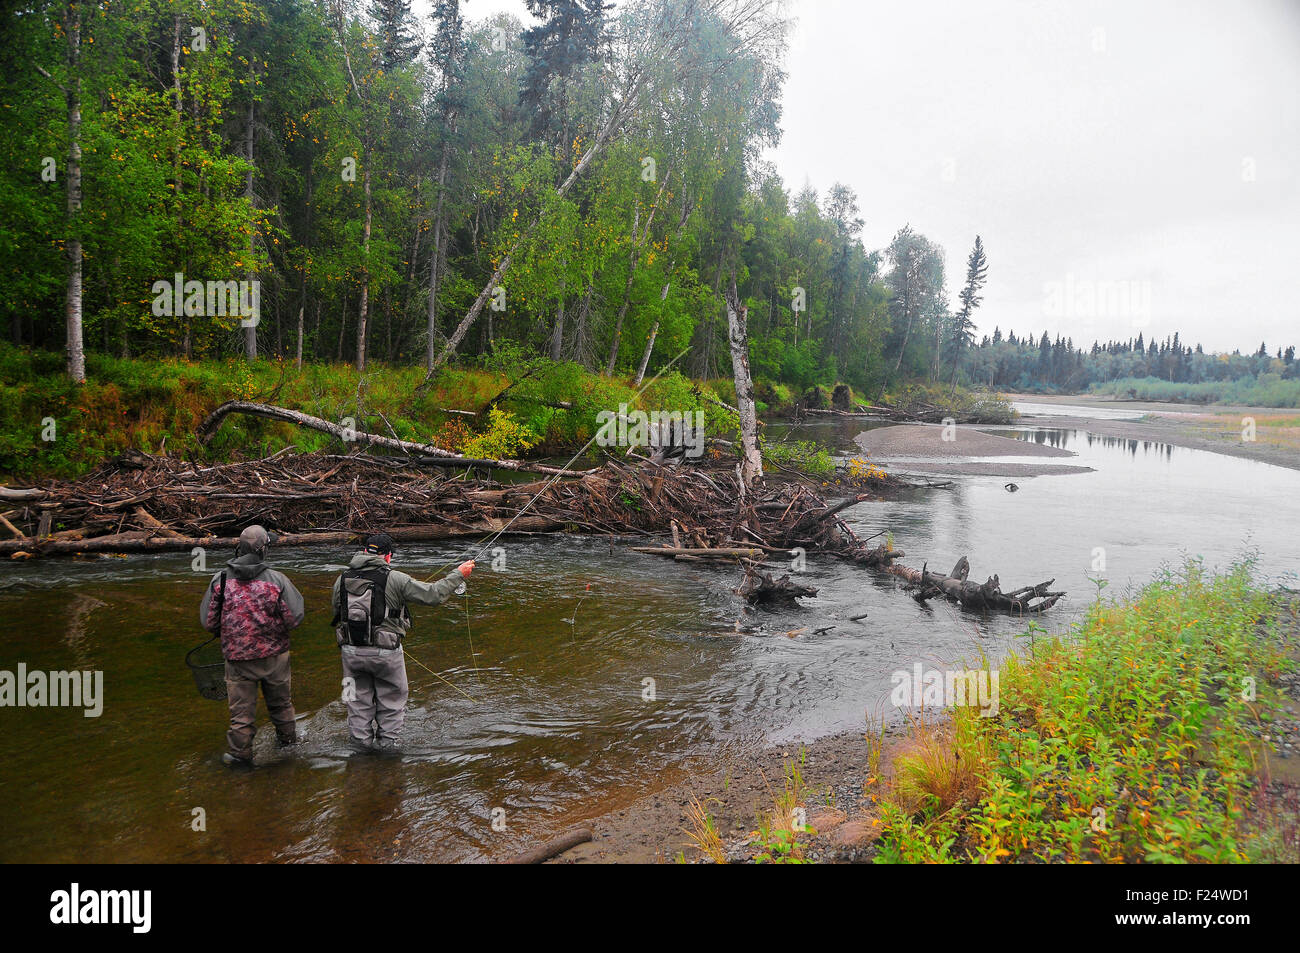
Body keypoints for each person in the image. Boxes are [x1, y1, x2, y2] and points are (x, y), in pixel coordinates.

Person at [332, 533, 473, 752]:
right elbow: (433, 595)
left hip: (350, 653)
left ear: (364, 552)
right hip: (386, 653)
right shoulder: (395, 578)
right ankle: (388, 754)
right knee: (391, 702)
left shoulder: (341, 579)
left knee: (356, 703)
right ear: (387, 556)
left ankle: (360, 754)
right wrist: (459, 574)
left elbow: (337, 613)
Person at [198, 525, 306, 766]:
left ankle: (241, 758)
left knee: (241, 715)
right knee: (281, 705)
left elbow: (208, 622)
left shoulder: (221, 580)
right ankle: (288, 749)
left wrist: (228, 633)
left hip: (237, 659)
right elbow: (294, 618)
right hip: (275, 656)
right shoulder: (277, 580)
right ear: (263, 550)